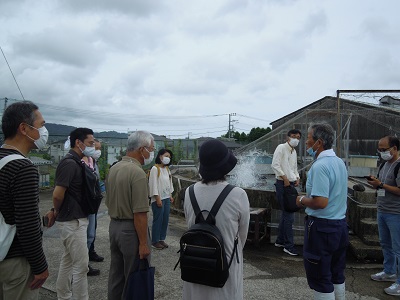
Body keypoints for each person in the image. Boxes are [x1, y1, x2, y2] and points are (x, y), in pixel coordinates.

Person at [183, 138, 250, 300]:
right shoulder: (238, 194)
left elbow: (190, 224)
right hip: (225, 265)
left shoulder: (189, 192)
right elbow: (242, 236)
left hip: (194, 263)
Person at [0, 101, 49, 299]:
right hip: (15, 261)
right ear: (23, 128)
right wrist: (40, 266)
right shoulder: (23, 168)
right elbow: (26, 224)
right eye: (41, 125)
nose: (44, 131)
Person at [295, 123, 348, 300]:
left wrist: (302, 200)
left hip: (322, 228)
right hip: (340, 225)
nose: (306, 142)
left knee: (320, 277)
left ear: (319, 142)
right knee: (336, 273)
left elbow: (320, 201)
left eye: (309, 138)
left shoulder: (320, 166)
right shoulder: (339, 162)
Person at [106, 131, 153, 300]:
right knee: (134, 276)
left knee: (116, 275)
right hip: (131, 230)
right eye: (151, 149)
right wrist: (143, 243)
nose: (151, 154)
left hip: (114, 227)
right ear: (142, 149)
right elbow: (140, 213)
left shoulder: (114, 168)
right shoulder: (137, 173)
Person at [50, 128, 96, 300]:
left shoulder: (76, 161)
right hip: (72, 221)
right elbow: (57, 194)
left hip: (74, 219)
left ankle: (63, 295)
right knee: (81, 266)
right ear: (78, 142)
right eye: (90, 143)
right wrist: (57, 209)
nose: (93, 146)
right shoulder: (69, 163)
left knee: (68, 260)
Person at [367, 136, 400, 296]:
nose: (381, 152)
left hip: (396, 213)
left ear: (394, 148)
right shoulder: (385, 164)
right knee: (385, 243)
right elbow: (382, 184)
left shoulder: (399, 165)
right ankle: (389, 271)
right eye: (379, 149)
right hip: (383, 210)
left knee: (398, 248)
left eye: (384, 149)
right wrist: (376, 182)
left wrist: (380, 185)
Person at [271, 129, 301, 256]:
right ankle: (289, 246)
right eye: (293, 136)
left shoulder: (293, 151)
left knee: (286, 214)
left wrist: (297, 177)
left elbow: (294, 167)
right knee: (289, 215)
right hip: (283, 184)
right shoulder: (281, 148)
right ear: (288, 137)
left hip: (291, 183)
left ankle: (280, 241)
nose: (296, 139)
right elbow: (275, 165)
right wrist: (285, 178)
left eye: (298, 137)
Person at [149, 148, 174, 250]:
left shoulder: (167, 169)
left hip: (166, 198)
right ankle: (155, 241)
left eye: (169, 157)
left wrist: (170, 195)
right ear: (160, 156)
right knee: (158, 220)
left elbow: (169, 183)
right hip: (158, 199)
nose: (168, 158)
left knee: (165, 220)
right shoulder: (155, 169)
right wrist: (157, 198)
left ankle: (161, 239)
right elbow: (153, 184)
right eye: (166, 156)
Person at [86, 139, 104, 263]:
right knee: (88, 232)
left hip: (94, 203)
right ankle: (85, 258)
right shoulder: (85, 163)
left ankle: (90, 252)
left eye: (99, 149)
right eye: (96, 148)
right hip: (88, 203)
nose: (98, 151)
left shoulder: (94, 162)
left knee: (92, 230)